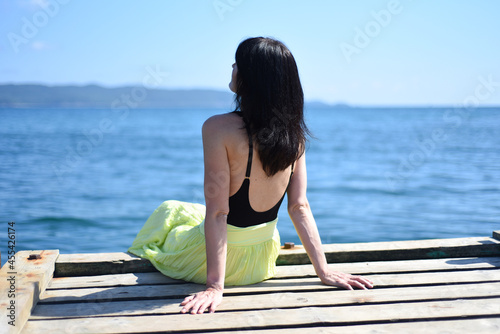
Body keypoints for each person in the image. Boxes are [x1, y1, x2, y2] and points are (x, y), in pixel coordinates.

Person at [128, 37, 373, 315]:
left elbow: (219, 213)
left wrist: (214, 287)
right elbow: (299, 206)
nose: (233, 67)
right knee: (188, 211)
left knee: (169, 211)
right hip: (261, 262)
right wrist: (324, 271)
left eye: (238, 64)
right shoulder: (296, 137)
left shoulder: (217, 128)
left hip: (214, 265)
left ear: (252, 78)